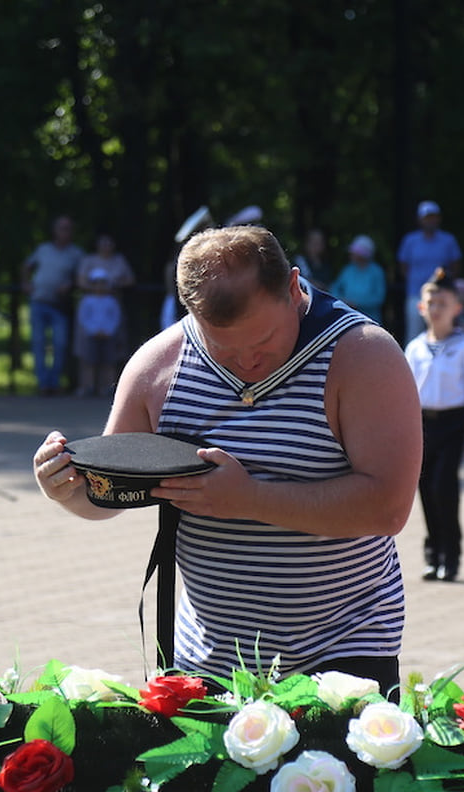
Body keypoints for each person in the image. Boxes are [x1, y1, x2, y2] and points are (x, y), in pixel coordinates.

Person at [32, 225, 421, 691]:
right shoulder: (160, 366)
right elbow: (109, 493)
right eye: (225, 348)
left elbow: (388, 508)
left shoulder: (362, 356)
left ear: (294, 288)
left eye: (263, 342)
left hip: (343, 652)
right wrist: (64, 486)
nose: (247, 363)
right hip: (207, 659)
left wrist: (250, 498)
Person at [404, 273, 464, 582]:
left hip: (453, 423)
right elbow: (406, 393)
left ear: (456, 308)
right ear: (421, 307)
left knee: (443, 486)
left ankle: (451, 557)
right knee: (425, 488)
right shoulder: (415, 348)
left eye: (443, 303)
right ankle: (433, 554)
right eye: (431, 302)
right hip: (423, 424)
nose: (436, 308)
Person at [23, 215, 84, 396]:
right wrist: (26, 283)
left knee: (60, 344)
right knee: (38, 343)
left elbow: (83, 276)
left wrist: (71, 284)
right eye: (61, 228)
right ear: (54, 231)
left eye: (68, 228)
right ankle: (43, 384)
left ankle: (54, 382)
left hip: (60, 306)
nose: (65, 232)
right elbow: (26, 266)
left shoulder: (77, 254)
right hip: (38, 302)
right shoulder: (43, 249)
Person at [73, 232, 135, 397]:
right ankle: (87, 386)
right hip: (92, 322)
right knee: (87, 356)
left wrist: (113, 285)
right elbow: (80, 283)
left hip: (110, 314)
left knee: (110, 356)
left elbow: (129, 279)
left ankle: (107, 386)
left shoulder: (119, 260)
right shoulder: (89, 261)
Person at [397, 201, 462, 342]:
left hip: (442, 297)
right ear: (420, 219)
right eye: (427, 217)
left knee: (443, 335)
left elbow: (455, 266)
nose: (430, 220)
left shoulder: (448, 240)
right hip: (415, 296)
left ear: (438, 218)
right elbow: (403, 267)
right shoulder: (410, 241)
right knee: (413, 336)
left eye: (433, 217)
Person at [328, 234, 387, 323]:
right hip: (348, 318)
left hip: (370, 320)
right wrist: (341, 301)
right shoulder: (347, 270)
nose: (351, 254)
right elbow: (335, 288)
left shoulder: (377, 271)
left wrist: (356, 303)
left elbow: (378, 298)